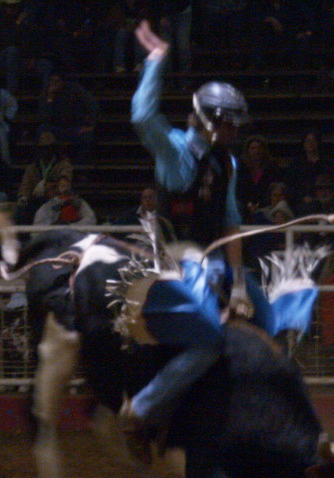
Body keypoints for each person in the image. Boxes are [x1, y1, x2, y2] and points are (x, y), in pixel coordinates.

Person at [121, 20, 256, 436]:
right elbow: (143, 116)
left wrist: (239, 285)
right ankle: (144, 406)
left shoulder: (226, 162)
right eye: (229, 124)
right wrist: (156, 62)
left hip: (207, 265)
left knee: (262, 316)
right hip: (169, 266)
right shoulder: (176, 153)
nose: (235, 131)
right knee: (209, 342)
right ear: (210, 121)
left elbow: (230, 223)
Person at [38, 72, 98, 163]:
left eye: (57, 81)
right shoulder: (46, 93)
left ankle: (80, 163)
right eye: (51, 81)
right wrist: (50, 98)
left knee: (87, 137)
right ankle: (47, 162)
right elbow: (44, 117)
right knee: (42, 131)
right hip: (56, 128)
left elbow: (92, 105)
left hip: (75, 127)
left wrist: (91, 125)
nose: (54, 84)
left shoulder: (75, 90)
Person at [15, 130, 74, 224]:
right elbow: (25, 186)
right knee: (21, 209)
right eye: (42, 148)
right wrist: (23, 197)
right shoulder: (33, 168)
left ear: (53, 149)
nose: (45, 151)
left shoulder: (63, 164)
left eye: (48, 148)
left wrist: (47, 186)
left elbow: (65, 181)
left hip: (56, 201)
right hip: (36, 202)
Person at [235, 135, 282, 223]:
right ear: (248, 151)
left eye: (259, 148)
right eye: (253, 148)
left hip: (266, 204)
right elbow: (239, 190)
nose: (256, 151)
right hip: (245, 204)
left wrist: (259, 205)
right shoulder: (241, 168)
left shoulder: (272, 168)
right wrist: (248, 204)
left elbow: (272, 189)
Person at [32, 174, 97, 226]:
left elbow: (91, 218)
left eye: (68, 186)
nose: (66, 189)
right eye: (63, 186)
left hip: (76, 233)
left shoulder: (79, 203)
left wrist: (72, 226)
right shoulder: (49, 205)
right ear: (57, 189)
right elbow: (40, 224)